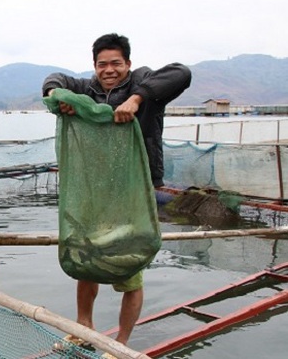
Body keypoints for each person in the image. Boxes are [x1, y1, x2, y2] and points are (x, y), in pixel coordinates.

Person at [42, 33, 191, 347]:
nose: (109, 70)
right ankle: (85, 330)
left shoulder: (144, 81)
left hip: (134, 193)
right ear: (94, 66)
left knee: (130, 263)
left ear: (128, 63)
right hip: (95, 195)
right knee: (87, 258)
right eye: (102, 64)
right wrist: (59, 95)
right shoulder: (87, 89)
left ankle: (121, 342)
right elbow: (54, 79)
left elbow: (181, 73)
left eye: (116, 63)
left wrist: (136, 100)